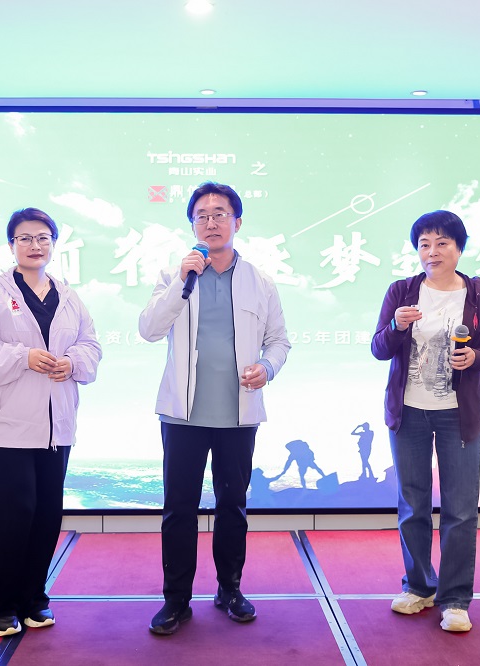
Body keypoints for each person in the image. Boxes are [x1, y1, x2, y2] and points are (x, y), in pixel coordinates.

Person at [139, 181, 291, 635]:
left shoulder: (260, 282)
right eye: (201, 215)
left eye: (220, 213)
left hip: (237, 414)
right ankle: (175, 601)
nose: (211, 222)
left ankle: (230, 589)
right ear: (192, 225)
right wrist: (180, 282)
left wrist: (267, 367)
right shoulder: (174, 276)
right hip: (182, 414)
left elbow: (279, 341)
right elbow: (149, 329)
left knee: (232, 507)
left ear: (237, 222)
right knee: (178, 508)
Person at [0, 207, 102, 637]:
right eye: (25, 238)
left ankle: (35, 599)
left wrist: (73, 362)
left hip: (56, 428)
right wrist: (23, 357)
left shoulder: (70, 298)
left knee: (45, 518)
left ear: (53, 244)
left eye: (43, 238)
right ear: (11, 245)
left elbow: (91, 346)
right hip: (5, 430)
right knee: (10, 519)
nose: (35, 245)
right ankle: (2, 605)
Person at [370, 210, 480, 633]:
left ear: (459, 248)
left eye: (442, 243)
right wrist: (396, 326)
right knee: (412, 505)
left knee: (460, 510)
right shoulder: (402, 291)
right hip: (408, 411)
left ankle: (455, 599)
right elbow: (379, 348)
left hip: (458, 415)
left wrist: (476, 357)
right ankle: (419, 586)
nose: (432, 252)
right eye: (424, 244)